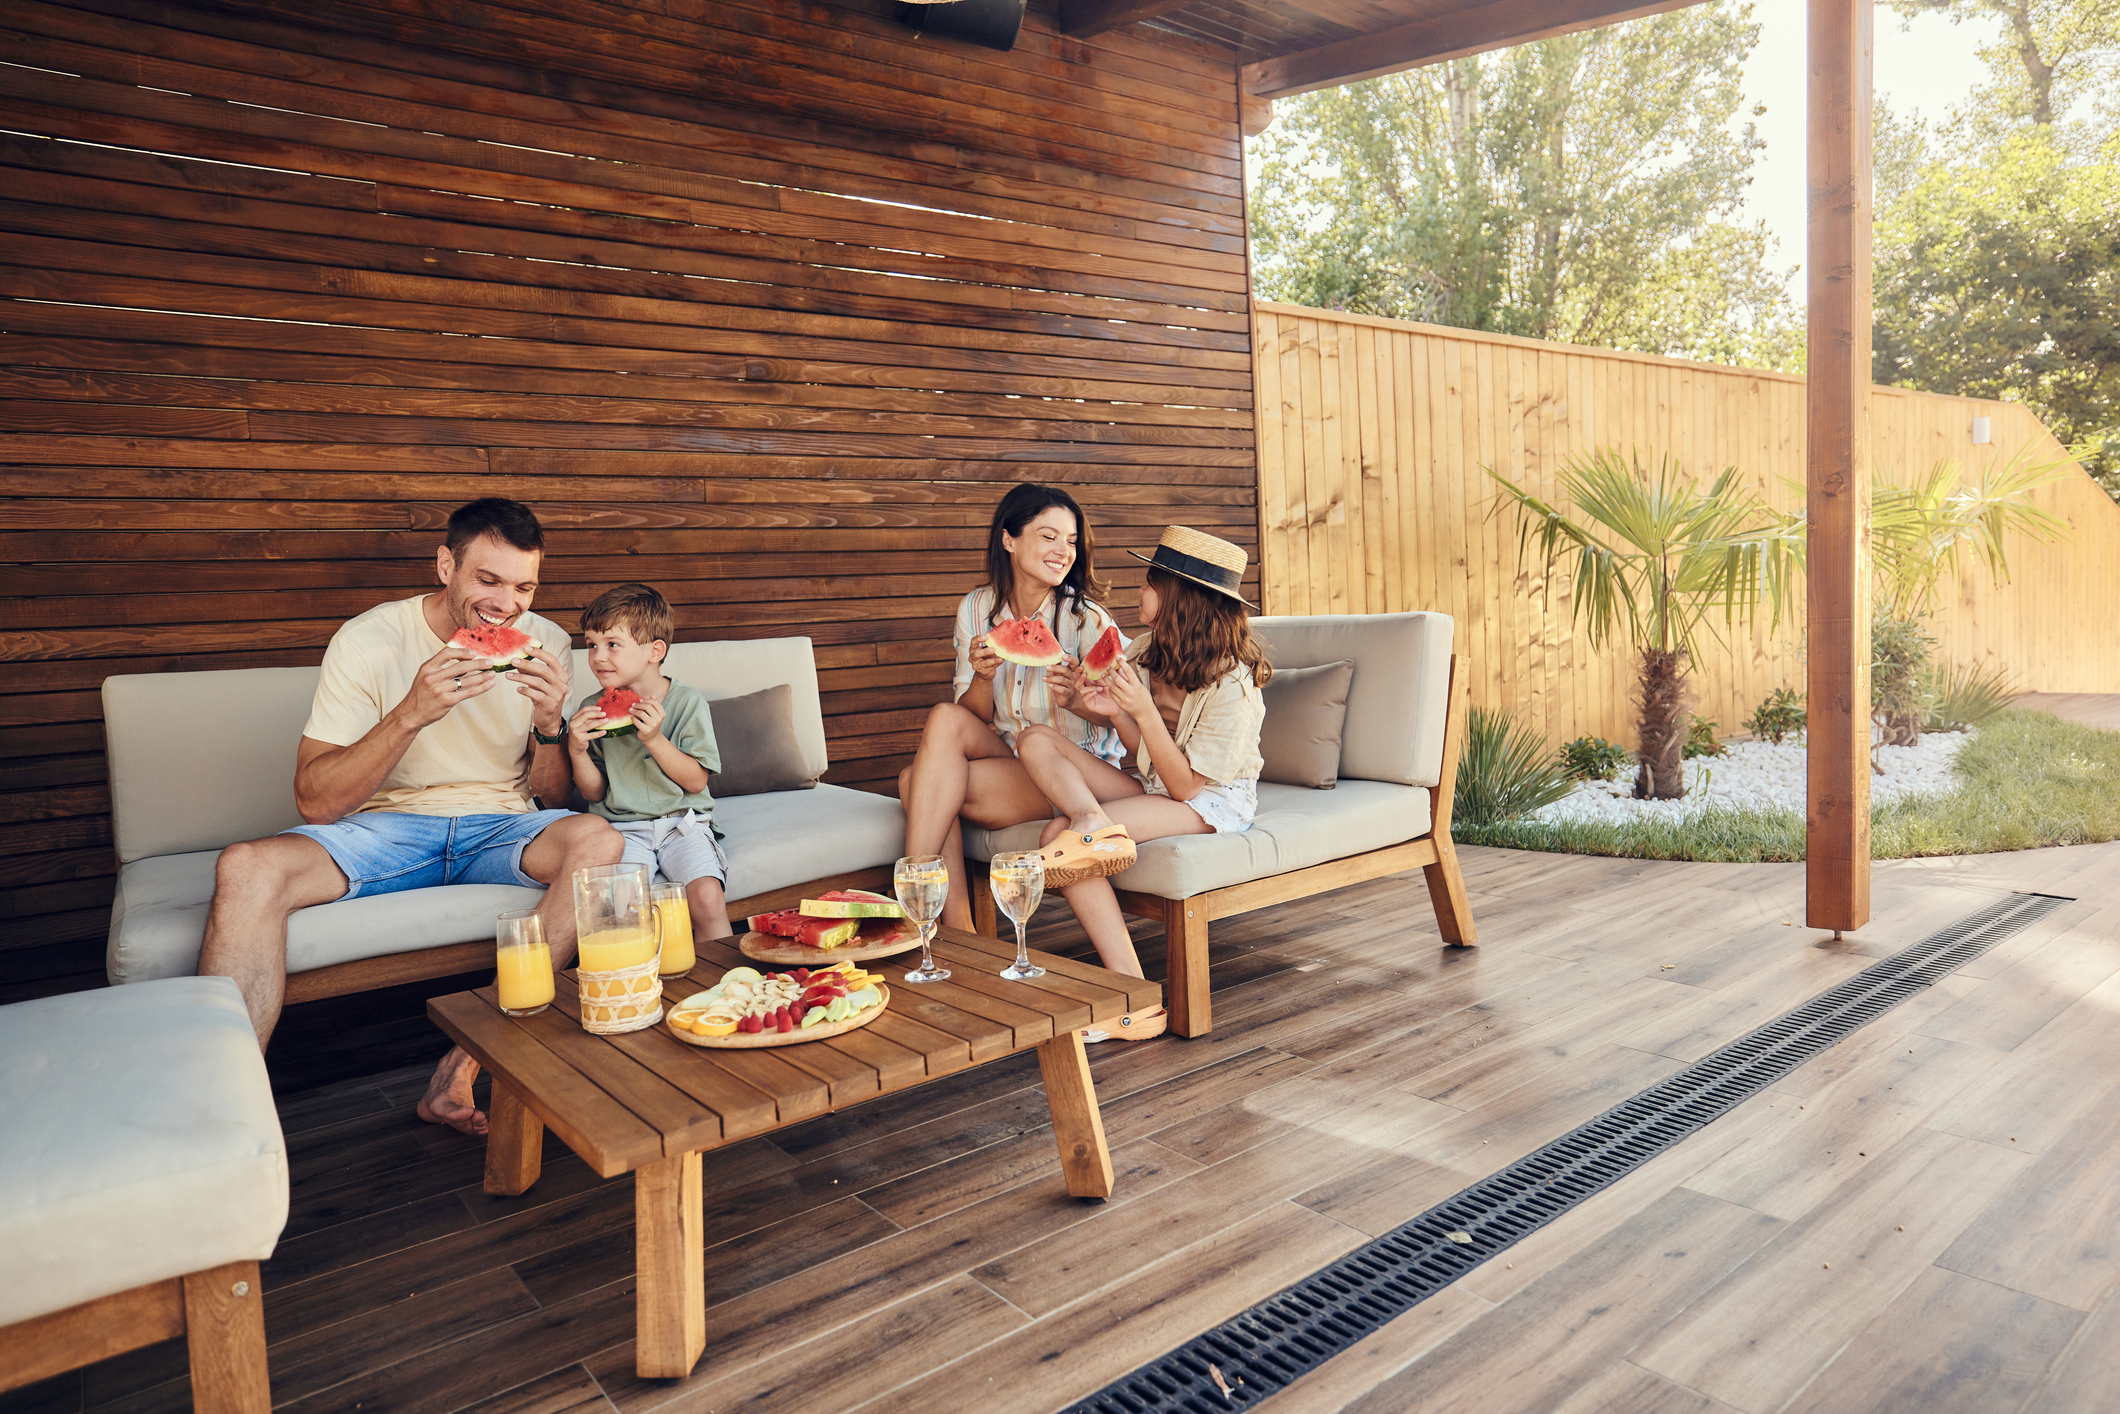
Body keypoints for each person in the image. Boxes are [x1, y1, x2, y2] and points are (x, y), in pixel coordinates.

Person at [196, 498, 623, 1134]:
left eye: (524, 587)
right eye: (488, 579)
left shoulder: (549, 643)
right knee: (247, 866)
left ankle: (467, 1062)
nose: (508, 605)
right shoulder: (369, 639)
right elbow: (315, 800)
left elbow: (557, 801)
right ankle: (216, 1118)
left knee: (597, 842)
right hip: (385, 832)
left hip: (499, 827)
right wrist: (411, 712)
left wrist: (550, 727)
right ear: (446, 564)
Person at [1014, 526, 1272, 1042]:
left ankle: (1134, 1000)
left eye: (1150, 582)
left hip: (1212, 800)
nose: (1139, 592)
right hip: (1160, 784)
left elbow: (1187, 788)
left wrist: (1141, 710)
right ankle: (1091, 822)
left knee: (1057, 841)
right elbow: (1143, 755)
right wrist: (1091, 706)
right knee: (1036, 739)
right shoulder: (1145, 650)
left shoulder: (1233, 683)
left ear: (1179, 596)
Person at [897, 484, 1128, 930]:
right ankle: (948, 922)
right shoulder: (977, 608)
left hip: (1071, 772)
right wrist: (983, 677)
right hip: (1009, 759)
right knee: (946, 715)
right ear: (1009, 539)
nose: (1064, 550)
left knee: (914, 783)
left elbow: (1125, 719)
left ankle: (939, 924)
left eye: (1071, 540)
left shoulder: (1087, 619)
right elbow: (971, 716)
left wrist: (1079, 701)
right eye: (1049, 536)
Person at [567, 582, 731, 941]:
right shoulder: (592, 709)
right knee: (622, 909)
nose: (597, 656)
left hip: (682, 824)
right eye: (590, 645)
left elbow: (696, 782)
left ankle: (724, 985)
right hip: (621, 829)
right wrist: (577, 750)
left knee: (707, 898)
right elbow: (594, 791)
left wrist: (654, 739)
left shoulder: (687, 702)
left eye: (612, 644)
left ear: (655, 650)